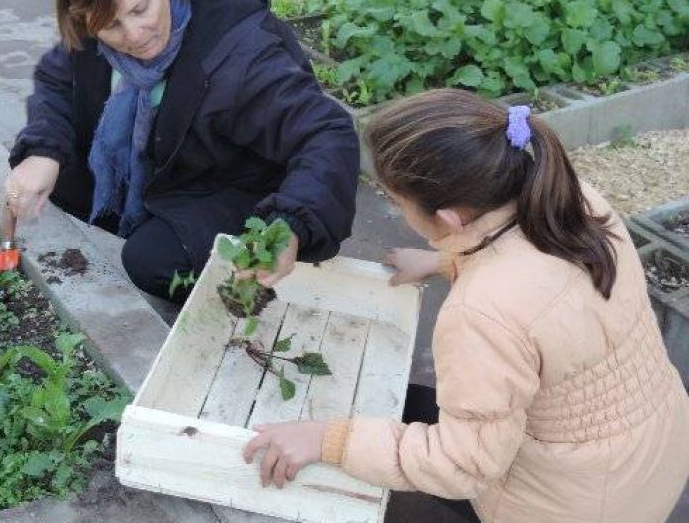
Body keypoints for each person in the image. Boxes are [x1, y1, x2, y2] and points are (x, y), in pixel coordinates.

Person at [243, 89, 689, 522]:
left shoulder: (479, 315)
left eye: (398, 204)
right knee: (419, 405)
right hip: (656, 451)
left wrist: (328, 439)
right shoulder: (573, 198)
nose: (399, 214)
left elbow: (463, 465)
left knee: (376, 453)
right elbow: (540, 284)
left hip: (572, 507)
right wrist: (445, 260)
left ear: (450, 219)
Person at [5, 0, 359, 301]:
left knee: (152, 260)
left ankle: (250, 290)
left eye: (141, 9)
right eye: (112, 26)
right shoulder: (97, 34)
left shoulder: (239, 52)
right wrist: (42, 152)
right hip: (176, 165)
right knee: (55, 174)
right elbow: (57, 81)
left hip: (241, 182)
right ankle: (155, 220)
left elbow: (327, 133)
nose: (135, 34)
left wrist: (290, 225)